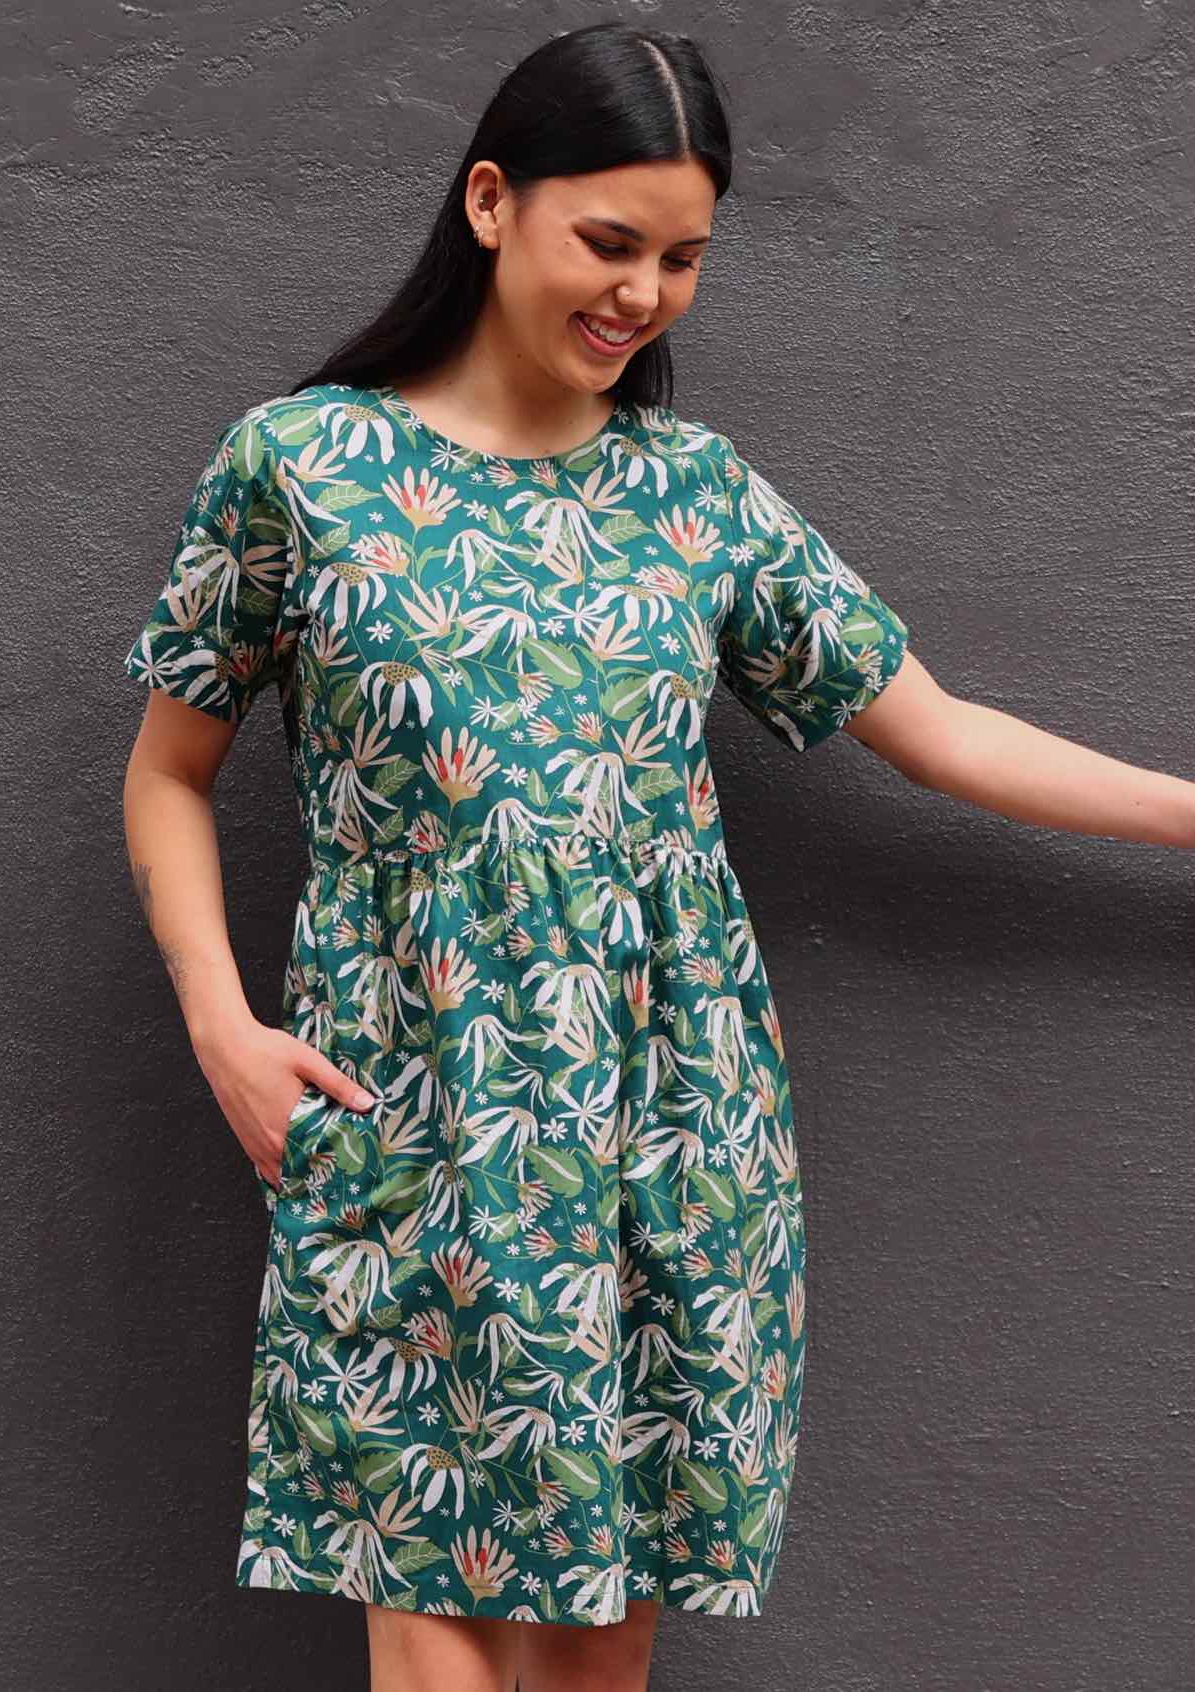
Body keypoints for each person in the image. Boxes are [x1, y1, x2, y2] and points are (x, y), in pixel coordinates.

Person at [120, 21, 1195, 1692]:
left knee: (592, 1665)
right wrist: (219, 1026)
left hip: (673, 1125)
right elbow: (170, 771)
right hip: (415, 1113)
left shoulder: (695, 499)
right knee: (439, 1644)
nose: (643, 294)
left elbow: (943, 727)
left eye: (683, 258)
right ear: (493, 202)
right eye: (608, 242)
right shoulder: (304, 466)